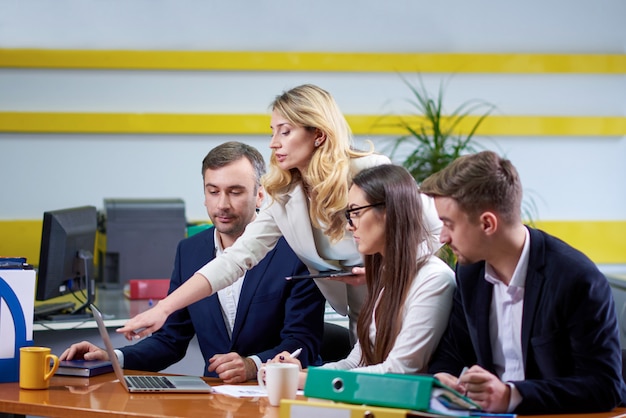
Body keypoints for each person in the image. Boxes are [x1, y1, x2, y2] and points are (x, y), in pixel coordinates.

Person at [117, 84, 442, 343]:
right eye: (273, 131)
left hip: (409, 301)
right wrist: (163, 308)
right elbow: (234, 260)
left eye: (285, 131)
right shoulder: (285, 194)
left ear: (318, 134)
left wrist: (385, 274)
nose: (273, 143)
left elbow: (436, 230)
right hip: (364, 313)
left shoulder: (370, 171)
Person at [60, 141, 326, 383]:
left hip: (279, 394)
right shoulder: (190, 251)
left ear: (260, 196)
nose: (222, 204)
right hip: (213, 399)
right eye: (213, 191)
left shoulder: (295, 250)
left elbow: (303, 341)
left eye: (235, 192)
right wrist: (112, 357)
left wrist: (253, 365)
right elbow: (170, 340)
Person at [422, 150, 626, 414]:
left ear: (487, 223)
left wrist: (511, 395)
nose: (443, 237)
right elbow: (451, 352)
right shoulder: (469, 273)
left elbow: (605, 386)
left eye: (448, 224)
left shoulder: (576, 279)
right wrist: (442, 377)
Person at [270, 164, 455, 389]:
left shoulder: (434, 278)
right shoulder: (386, 276)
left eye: (355, 213)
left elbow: (399, 370)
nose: (350, 226)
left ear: (388, 213)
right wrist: (304, 373)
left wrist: (307, 380)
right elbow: (355, 362)